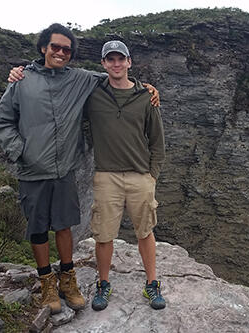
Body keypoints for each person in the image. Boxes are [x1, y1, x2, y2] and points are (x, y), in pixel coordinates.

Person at [0, 23, 159, 314]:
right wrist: (19, 152)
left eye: (66, 49)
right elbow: (3, 120)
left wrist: (147, 87)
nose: (60, 52)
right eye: (55, 46)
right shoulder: (21, 81)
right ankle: (47, 282)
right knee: (38, 228)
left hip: (65, 169)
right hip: (33, 170)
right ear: (43, 47)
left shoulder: (80, 79)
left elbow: (116, 78)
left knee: (64, 224)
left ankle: (68, 280)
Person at [86, 40, 166, 311]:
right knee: (104, 235)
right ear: (104, 64)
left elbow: (157, 141)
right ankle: (103, 284)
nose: (116, 64)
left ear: (129, 62)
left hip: (139, 176)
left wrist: (151, 176)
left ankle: (152, 284)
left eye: (121, 59)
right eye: (111, 60)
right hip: (106, 175)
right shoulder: (93, 94)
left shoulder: (146, 96)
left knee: (145, 231)